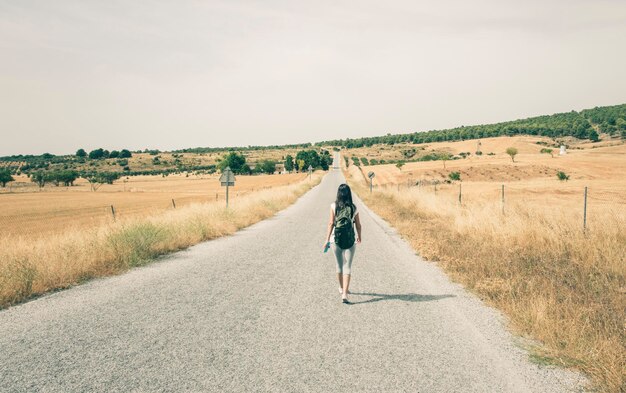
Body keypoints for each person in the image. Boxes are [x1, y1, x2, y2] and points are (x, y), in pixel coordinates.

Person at [324, 183, 362, 304]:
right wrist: (359, 237)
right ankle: (345, 293)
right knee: (348, 266)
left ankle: (341, 288)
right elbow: (359, 225)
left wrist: (327, 239)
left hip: (336, 238)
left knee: (339, 265)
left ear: (338, 194)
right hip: (350, 239)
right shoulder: (354, 207)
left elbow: (331, 223)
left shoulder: (333, 205)